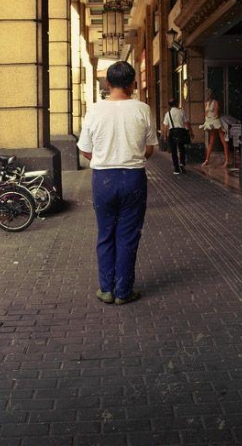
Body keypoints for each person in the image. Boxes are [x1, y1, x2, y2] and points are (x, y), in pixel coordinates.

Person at [77, 61, 158, 305]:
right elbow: (150, 149)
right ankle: (124, 291)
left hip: (103, 179)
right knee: (128, 235)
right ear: (133, 83)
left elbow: (85, 150)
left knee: (105, 234)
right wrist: (129, 156)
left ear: (107, 83)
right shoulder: (142, 109)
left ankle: (106, 289)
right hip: (133, 178)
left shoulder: (94, 110)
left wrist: (104, 158)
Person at [162, 99, 193, 175]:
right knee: (182, 149)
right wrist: (191, 132)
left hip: (172, 133)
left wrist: (165, 136)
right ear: (177, 103)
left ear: (169, 105)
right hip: (181, 132)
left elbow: (165, 126)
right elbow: (187, 123)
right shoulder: (181, 112)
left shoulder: (168, 114)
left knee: (174, 151)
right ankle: (182, 164)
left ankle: (176, 169)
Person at [200, 88, 230, 167]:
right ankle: (207, 160)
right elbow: (206, 114)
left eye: (208, 94)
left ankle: (227, 160)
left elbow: (216, 114)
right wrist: (207, 123)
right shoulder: (206, 103)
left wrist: (211, 120)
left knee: (223, 140)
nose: (207, 95)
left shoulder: (215, 102)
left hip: (216, 122)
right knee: (211, 141)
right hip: (210, 122)